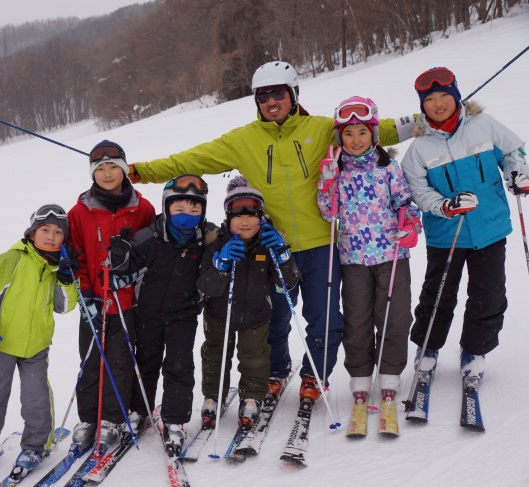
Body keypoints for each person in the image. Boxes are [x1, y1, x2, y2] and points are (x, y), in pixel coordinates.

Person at [127, 60, 415, 400]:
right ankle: (276, 371)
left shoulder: (321, 129)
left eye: (277, 93)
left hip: (322, 244)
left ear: (293, 94)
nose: (270, 101)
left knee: (325, 321)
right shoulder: (242, 140)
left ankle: (314, 374)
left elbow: (377, 127)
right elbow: (191, 160)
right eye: (262, 96)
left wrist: (434, 116)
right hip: (273, 247)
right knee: (274, 320)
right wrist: (141, 171)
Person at [400, 67, 529, 386]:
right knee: (438, 294)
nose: (438, 103)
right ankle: (427, 348)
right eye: (429, 99)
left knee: (489, 295)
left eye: (444, 95)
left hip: (490, 228)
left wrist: (518, 173)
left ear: (456, 96)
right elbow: (418, 190)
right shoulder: (418, 149)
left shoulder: (484, 125)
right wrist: (444, 206)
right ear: (422, 105)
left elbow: (515, 151)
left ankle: (475, 351)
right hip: (445, 235)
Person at [0, 205, 79, 484]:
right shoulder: (11, 260)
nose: (51, 236)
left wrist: (68, 281)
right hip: (2, 344)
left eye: (58, 232)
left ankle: (35, 447)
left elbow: (65, 307)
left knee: (36, 399)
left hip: (36, 347)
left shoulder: (56, 267)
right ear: (32, 232)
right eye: (45, 230)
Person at [316, 96, 421, 415]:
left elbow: (405, 201)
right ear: (339, 137)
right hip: (354, 260)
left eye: (362, 132)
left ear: (374, 134)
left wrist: (410, 221)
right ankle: (360, 377)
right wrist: (327, 184)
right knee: (357, 320)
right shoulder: (336, 168)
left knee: (395, 317)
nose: (355, 140)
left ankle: (390, 374)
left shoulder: (387, 166)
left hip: (392, 255)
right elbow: (326, 212)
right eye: (348, 133)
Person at [106, 174, 213, 454]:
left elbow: (223, 255)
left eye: (194, 210)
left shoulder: (206, 239)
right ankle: (140, 409)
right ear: (166, 208)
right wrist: (119, 260)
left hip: (184, 314)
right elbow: (121, 277)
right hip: (148, 312)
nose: (187, 216)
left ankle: (174, 421)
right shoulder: (148, 238)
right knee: (146, 362)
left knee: (179, 365)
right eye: (179, 209)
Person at [67, 140, 155, 451]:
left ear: (123, 169)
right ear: (92, 174)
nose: (107, 173)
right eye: (100, 169)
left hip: (126, 300)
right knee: (91, 360)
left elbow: (149, 252)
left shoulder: (142, 208)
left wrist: (132, 276)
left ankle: (113, 418)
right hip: (93, 302)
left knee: (119, 361)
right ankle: (89, 417)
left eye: (113, 167)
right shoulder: (79, 212)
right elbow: (74, 255)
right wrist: (84, 292)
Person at [197, 176, 300, 429]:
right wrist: (220, 264)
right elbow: (205, 285)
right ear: (227, 218)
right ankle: (213, 396)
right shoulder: (216, 242)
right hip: (219, 313)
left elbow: (287, 284)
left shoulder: (268, 243)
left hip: (255, 314)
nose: (245, 222)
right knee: (215, 355)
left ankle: (252, 397)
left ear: (261, 217)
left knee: (255, 357)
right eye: (237, 216)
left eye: (251, 215)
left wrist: (282, 255)